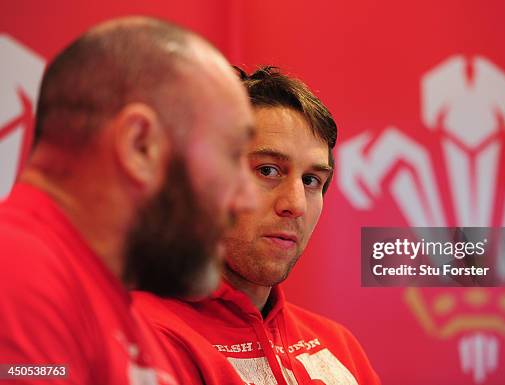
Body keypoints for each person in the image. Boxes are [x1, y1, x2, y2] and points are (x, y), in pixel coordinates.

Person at [0, 17, 257, 384]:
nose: (247, 199)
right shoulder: (17, 272)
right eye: (233, 155)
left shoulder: (119, 314)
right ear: (140, 146)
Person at [134, 67, 381, 384]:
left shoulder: (338, 345)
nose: (295, 204)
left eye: (310, 180)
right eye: (268, 171)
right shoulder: (139, 336)